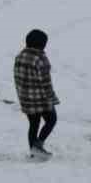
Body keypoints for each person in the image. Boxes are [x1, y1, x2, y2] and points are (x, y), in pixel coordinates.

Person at [14, 29, 59, 159]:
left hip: (26, 99)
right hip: (41, 100)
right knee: (51, 120)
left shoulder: (20, 56)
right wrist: (51, 98)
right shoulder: (41, 60)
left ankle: (33, 153)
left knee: (34, 124)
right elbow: (46, 83)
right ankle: (38, 146)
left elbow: (17, 78)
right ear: (42, 44)